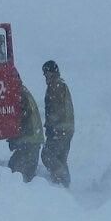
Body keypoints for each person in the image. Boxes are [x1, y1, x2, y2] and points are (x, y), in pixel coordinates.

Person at [41, 59, 73, 187]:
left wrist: (51, 125)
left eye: (45, 73)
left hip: (59, 129)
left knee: (47, 155)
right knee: (60, 158)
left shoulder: (55, 86)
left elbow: (56, 109)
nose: (44, 76)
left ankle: (62, 178)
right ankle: (63, 185)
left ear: (50, 72)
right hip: (67, 128)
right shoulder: (61, 85)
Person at [7, 84, 43, 182]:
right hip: (33, 139)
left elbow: (20, 118)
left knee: (16, 171)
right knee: (17, 167)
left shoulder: (19, 95)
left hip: (29, 139)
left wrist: (13, 137)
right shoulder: (22, 92)